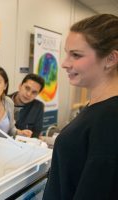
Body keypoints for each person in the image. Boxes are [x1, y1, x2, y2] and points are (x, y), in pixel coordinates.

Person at [43, 14, 118, 200]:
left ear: (110, 58)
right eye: (67, 53)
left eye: (76, 55)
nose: (64, 63)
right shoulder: (97, 106)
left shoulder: (111, 119)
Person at [0, 66, 32, 138]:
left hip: (5, 146)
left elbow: (11, 130)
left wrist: (20, 132)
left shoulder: (8, 102)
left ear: (5, 85)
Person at [8, 73, 45, 138]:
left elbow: (36, 134)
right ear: (20, 86)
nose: (28, 94)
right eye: (27, 88)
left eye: (34, 92)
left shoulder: (38, 107)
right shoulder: (3, 101)